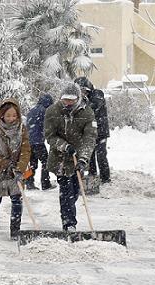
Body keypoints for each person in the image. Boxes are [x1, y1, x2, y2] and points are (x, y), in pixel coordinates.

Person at [45, 83, 97, 231]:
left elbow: (89, 138)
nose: (67, 103)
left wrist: (83, 159)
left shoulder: (87, 113)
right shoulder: (52, 111)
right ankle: (69, 223)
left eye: (71, 100)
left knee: (75, 191)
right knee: (66, 191)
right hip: (60, 158)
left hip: (78, 157)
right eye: (65, 99)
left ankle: (68, 215)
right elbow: (50, 136)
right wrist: (64, 146)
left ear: (78, 99)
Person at [0, 98, 30, 240]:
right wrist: (5, 163)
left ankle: (15, 230)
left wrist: (20, 167)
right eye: (8, 115)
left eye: (14, 115)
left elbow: (26, 150)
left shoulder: (22, 129)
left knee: (17, 200)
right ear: (2, 115)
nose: (11, 118)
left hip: (16, 171)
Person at [74, 76, 111, 183]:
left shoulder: (97, 94)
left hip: (100, 132)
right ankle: (92, 174)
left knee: (101, 155)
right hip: (89, 133)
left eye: (83, 90)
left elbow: (93, 107)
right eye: (79, 91)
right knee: (90, 155)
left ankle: (105, 178)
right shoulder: (81, 100)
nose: (82, 93)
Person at [25, 94, 55, 190]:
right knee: (46, 162)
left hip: (29, 141)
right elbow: (48, 126)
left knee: (32, 163)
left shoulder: (32, 110)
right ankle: (45, 183)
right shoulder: (44, 111)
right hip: (38, 142)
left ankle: (29, 182)